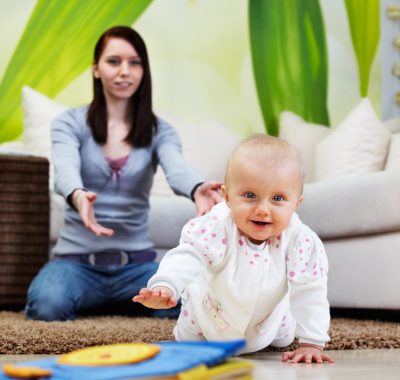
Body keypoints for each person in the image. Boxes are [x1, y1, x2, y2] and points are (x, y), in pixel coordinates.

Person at [24, 25, 221, 321]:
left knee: (190, 302)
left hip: (137, 268)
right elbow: (64, 169)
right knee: (47, 306)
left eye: (134, 62)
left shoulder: (160, 130)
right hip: (75, 265)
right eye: (114, 61)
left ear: (144, 71)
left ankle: (123, 301)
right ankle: (111, 303)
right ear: (96, 69)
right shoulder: (69, 122)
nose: (124, 71)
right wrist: (78, 195)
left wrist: (196, 188)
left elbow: (176, 168)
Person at [133, 134, 334, 363]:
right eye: (249, 196)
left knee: (283, 337)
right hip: (210, 311)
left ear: (297, 203)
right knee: (188, 339)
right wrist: (166, 285)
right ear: (227, 197)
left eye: (278, 198)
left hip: (269, 317)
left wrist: (311, 343)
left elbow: (310, 290)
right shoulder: (217, 226)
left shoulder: (300, 240)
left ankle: (278, 328)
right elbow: (188, 256)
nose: (262, 209)